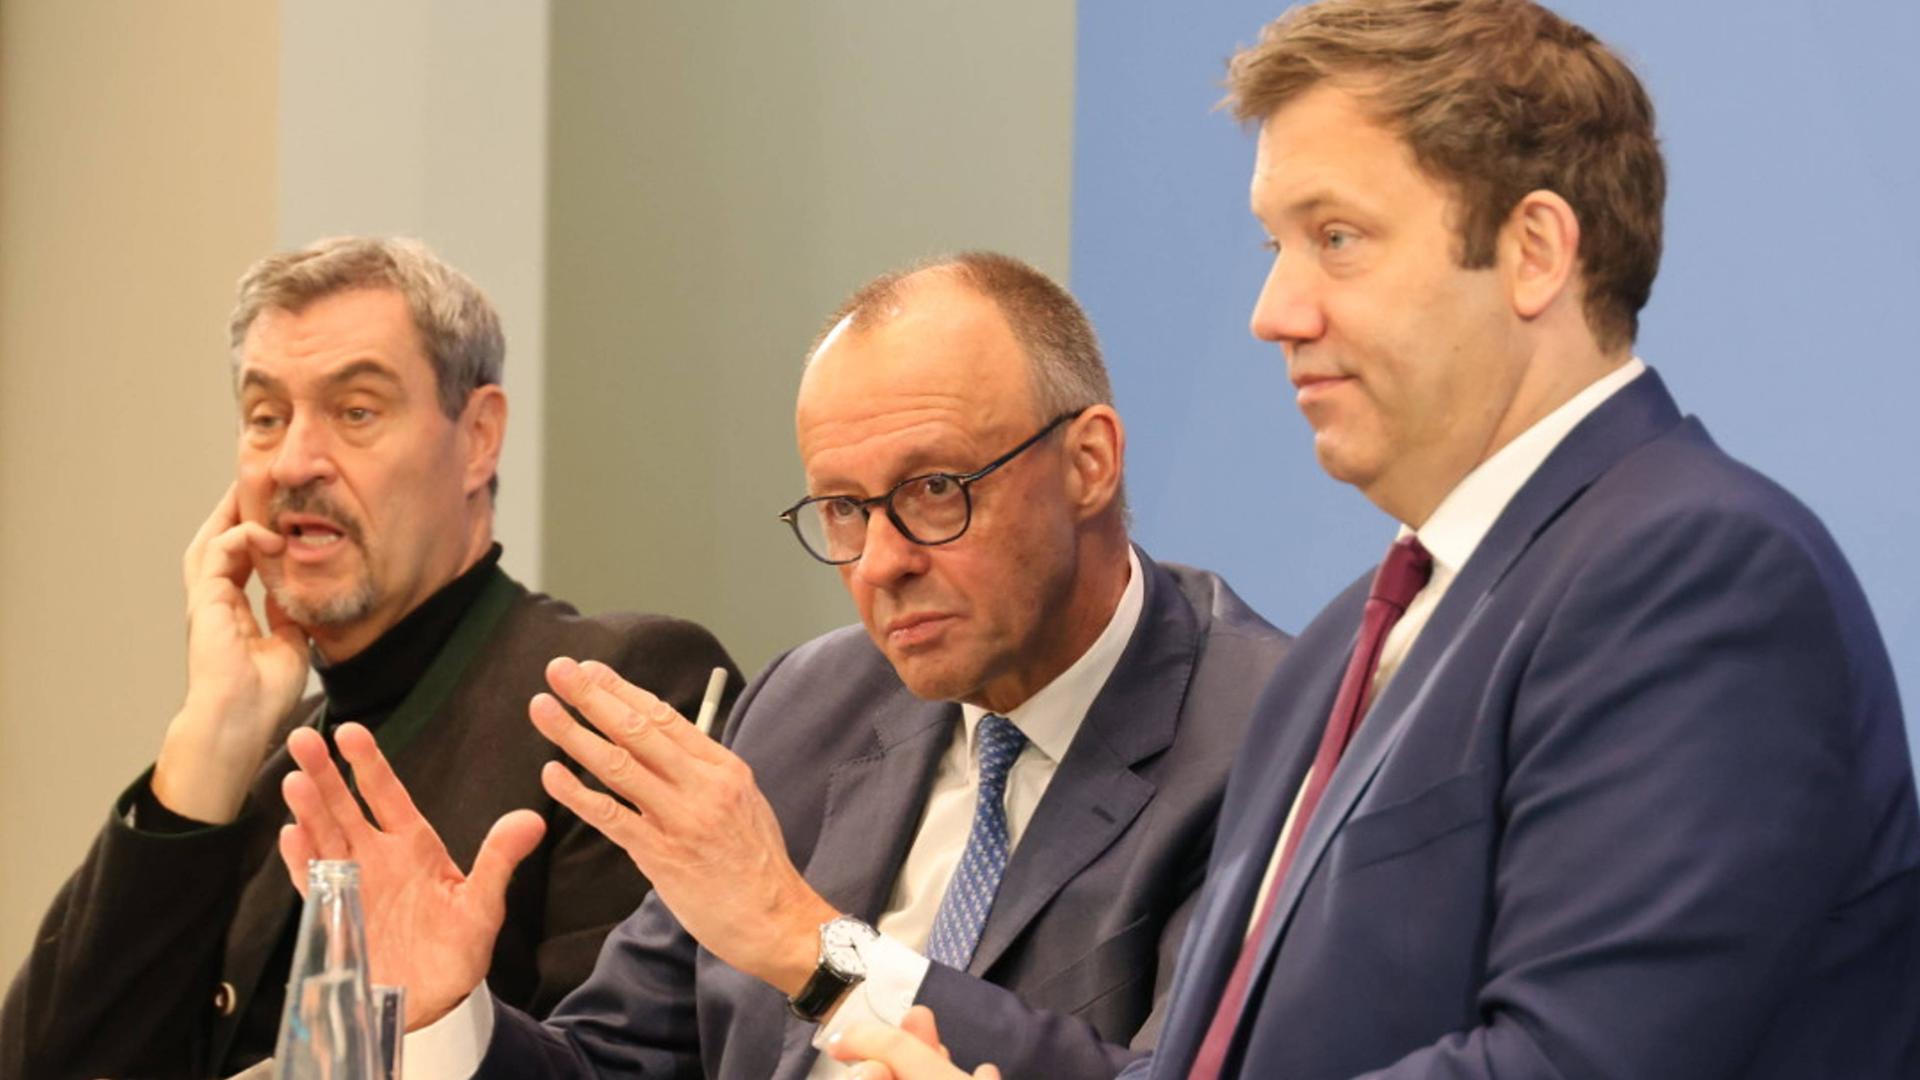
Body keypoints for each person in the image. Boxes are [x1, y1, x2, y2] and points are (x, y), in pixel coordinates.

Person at [828, 2, 1920, 1078]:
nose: (1273, 310)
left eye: (1335, 238)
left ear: (1534, 250)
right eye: (1275, 243)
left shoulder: (1700, 576)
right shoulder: (1340, 647)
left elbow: (1567, 1060)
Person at [277, 251, 1294, 1077]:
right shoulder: (809, 705)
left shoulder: (1267, 731)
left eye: (936, 489)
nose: (884, 561)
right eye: (844, 511)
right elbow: (615, 1068)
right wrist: (454, 1012)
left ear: (1089, 463)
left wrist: (817, 948)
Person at [0, 237, 742, 1078]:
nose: (293, 463)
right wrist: (210, 737)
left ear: (479, 439)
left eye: (355, 411)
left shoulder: (611, 689)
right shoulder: (252, 762)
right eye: (265, 417)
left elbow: (632, 1065)